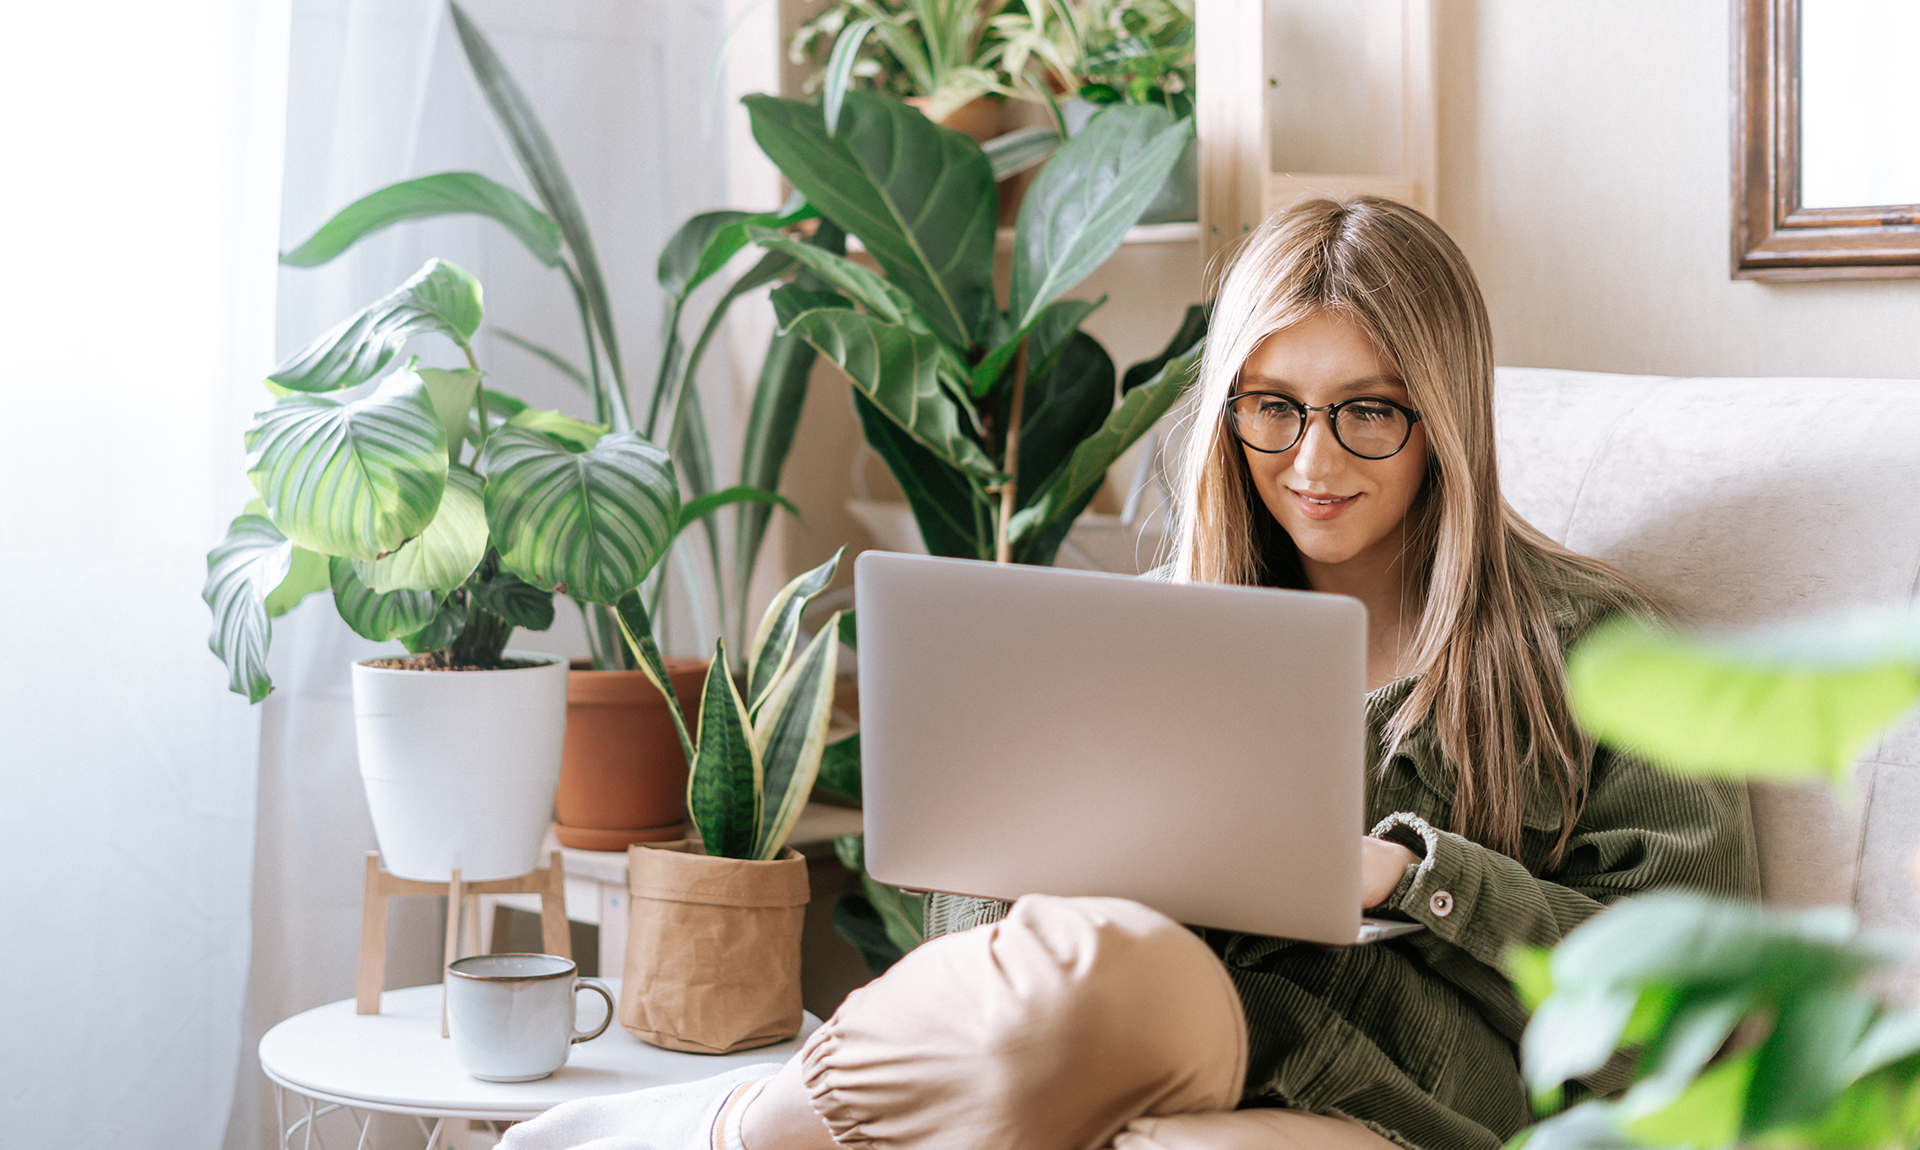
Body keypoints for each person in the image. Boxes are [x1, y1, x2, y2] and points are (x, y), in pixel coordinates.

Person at [500, 196, 1760, 1150]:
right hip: (1121, 1018)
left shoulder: (1598, 653)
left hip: (1393, 1080)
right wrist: (1053, 846)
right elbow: (972, 933)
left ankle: (734, 1129)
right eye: (1272, 407)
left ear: (1446, 418)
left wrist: (1411, 876)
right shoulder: (1158, 637)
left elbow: (1699, 995)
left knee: (1095, 983)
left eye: (1367, 410)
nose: (1311, 459)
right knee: (1078, 972)